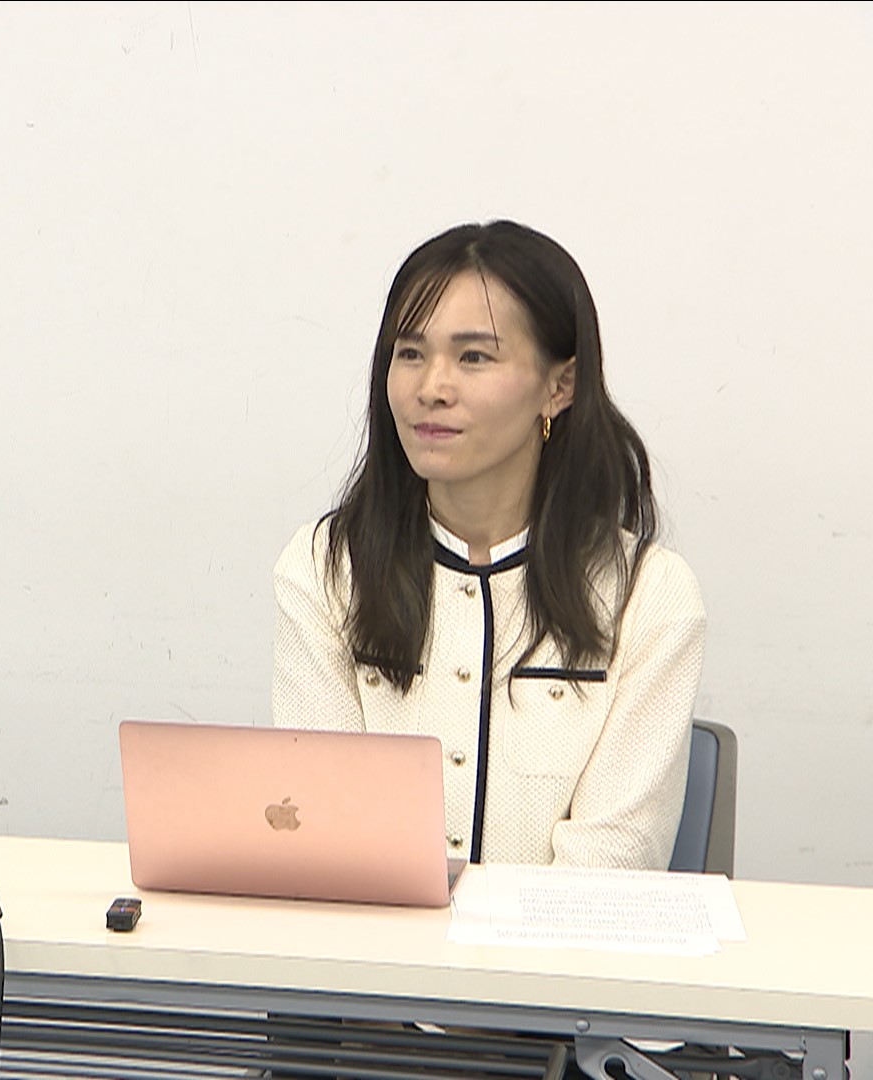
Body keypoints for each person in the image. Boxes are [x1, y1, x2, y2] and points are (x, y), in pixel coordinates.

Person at [271, 220, 704, 869]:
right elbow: (325, 840)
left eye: (474, 357)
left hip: (560, 937)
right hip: (372, 938)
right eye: (409, 353)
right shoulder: (324, 569)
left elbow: (609, 866)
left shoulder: (651, 596)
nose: (431, 388)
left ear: (560, 387)